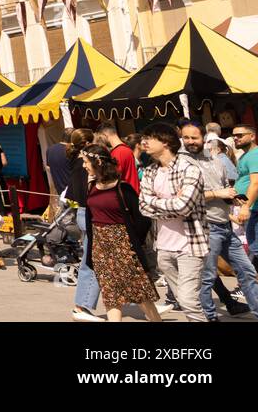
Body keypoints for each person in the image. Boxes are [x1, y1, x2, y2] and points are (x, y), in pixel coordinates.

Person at [184, 122, 258, 320]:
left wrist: (233, 198)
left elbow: (226, 186)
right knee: (208, 277)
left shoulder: (216, 161)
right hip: (206, 227)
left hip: (225, 225)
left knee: (247, 271)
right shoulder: (183, 163)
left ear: (204, 139)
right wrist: (218, 193)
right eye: (186, 138)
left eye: (195, 137)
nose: (190, 142)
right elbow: (185, 197)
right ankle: (210, 317)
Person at [80, 144, 161, 322]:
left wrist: (133, 243)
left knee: (139, 291)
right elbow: (90, 217)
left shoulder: (123, 188)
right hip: (100, 246)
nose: (84, 166)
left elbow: (143, 219)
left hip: (123, 246)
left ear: (98, 162)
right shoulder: (91, 186)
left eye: (86, 162)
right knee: (110, 293)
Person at [138, 122, 207, 322]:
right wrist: (168, 203)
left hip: (190, 244)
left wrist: (155, 203)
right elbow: (143, 207)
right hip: (164, 246)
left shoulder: (189, 169)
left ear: (166, 142)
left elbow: (184, 206)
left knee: (188, 300)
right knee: (182, 298)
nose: (144, 142)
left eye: (150, 138)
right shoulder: (150, 171)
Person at [65, 128, 102, 321]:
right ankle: (82, 305)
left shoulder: (75, 160)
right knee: (92, 260)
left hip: (82, 211)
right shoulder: (85, 163)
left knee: (93, 258)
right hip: (90, 212)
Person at [231, 124, 258, 274]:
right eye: (234, 136)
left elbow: (256, 182)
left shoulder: (256, 155)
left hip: (257, 209)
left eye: (240, 135)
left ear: (252, 136)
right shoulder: (245, 156)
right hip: (253, 209)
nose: (236, 138)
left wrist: (245, 206)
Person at [96, 122, 139, 190]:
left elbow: (113, 177)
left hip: (126, 193)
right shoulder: (124, 149)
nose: (100, 140)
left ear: (105, 135)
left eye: (100, 137)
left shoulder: (119, 152)